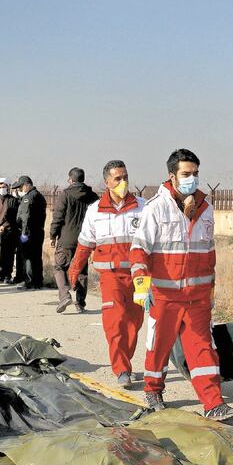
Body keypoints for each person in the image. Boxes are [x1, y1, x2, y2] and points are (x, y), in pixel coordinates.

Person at [130, 148, 233, 422]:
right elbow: (139, 250)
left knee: (203, 349)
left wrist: (211, 292)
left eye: (195, 173)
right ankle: (153, 391)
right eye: (186, 174)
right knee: (159, 347)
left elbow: (209, 253)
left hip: (198, 298)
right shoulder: (156, 208)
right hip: (164, 296)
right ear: (172, 176)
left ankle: (213, 404)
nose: (192, 178)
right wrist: (141, 285)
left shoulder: (206, 209)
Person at [69, 160, 145, 388]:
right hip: (111, 277)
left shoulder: (143, 207)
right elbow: (85, 244)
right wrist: (75, 269)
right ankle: (121, 368)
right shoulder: (95, 211)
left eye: (125, 177)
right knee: (115, 321)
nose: (123, 182)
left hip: (139, 277)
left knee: (133, 323)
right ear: (107, 182)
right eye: (118, 178)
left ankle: (125, 362)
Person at [50, 167, 99, 312]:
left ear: (71, 179)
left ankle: (65, 295)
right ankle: (80, 303)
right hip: (85, 239)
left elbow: (58, 217)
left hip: (66, 239)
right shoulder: (93, 196)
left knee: (60, 267)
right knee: (82, 271)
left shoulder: (65, 194)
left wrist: (53, 235)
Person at [15, 175, 47, 289]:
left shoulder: (28, 197)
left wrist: (24, 233)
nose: (20, 190)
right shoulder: (39, 195)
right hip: (38, 231)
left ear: (26, 185)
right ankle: (38, 282)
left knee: (28, 256)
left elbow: (25, 217)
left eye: (20, 187)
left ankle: (29, 281)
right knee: (37, 257)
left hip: (29, 232)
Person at [0, 177, 19, 283]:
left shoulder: (12, 200)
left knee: (8, 254)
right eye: (0, 187)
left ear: (7, 187)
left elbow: (14, 216)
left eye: (4, 186)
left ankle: (7, 275)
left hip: (8, 232)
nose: (2, 188)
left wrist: (4, 226)